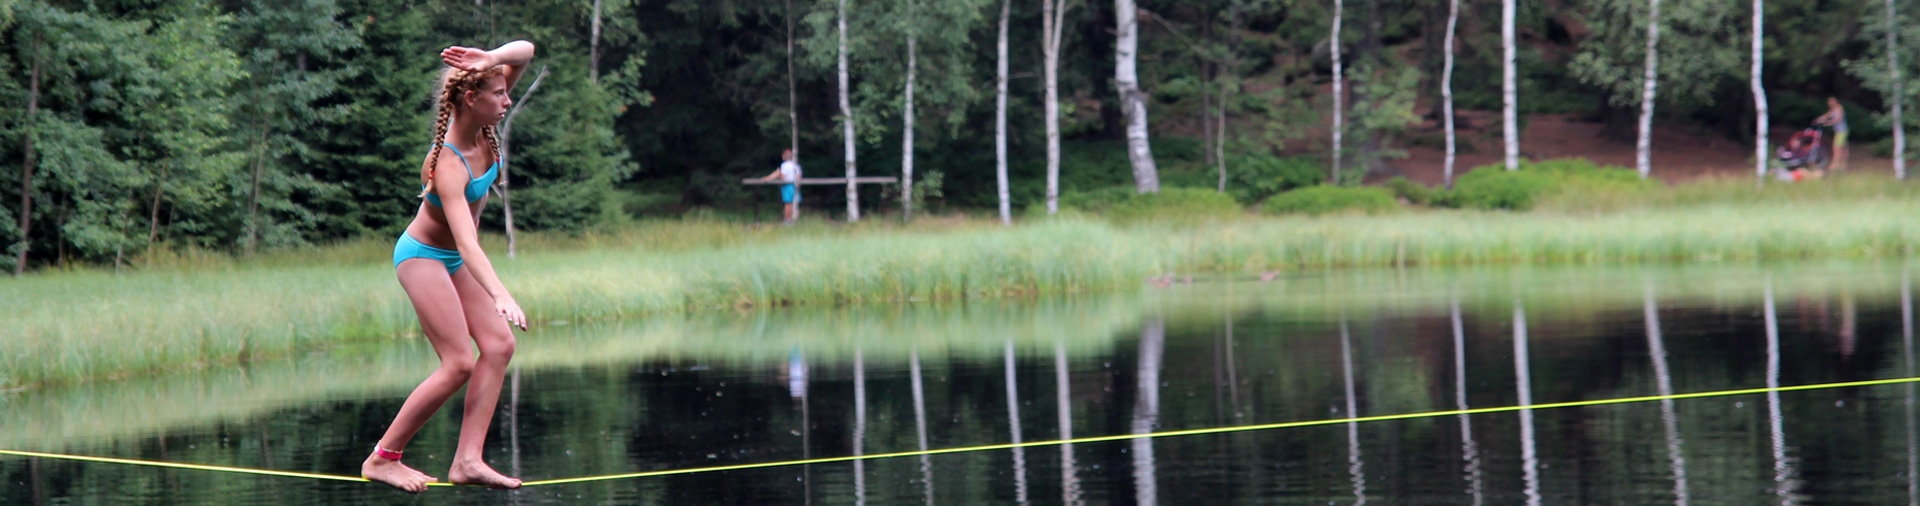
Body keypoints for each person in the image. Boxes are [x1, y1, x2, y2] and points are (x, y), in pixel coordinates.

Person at [363, 40, 535, 493]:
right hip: (421, 256)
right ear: (470, 99)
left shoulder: (485, 126)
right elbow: (467, 242)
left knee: (497, 346)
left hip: (453, 258)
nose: (507, 99)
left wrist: (491, 59)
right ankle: (383, 458)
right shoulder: (447, 164)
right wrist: (500, 293)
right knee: (458, 362)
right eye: (498, 94)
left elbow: (526, 49)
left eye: (505, 90)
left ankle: (468, 460)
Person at [759, 149, 803, 224]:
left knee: (787, 204)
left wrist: (774, 177)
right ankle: (794, 220)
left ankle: (787, 220)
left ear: (783, 157)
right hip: (795, 186)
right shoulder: (796, 165)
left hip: (787, 186)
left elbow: (783, 176)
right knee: (794, 204)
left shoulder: (784, 166)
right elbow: (799, 176)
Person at [1815, 97, 1848, 171]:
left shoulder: (1839, 108)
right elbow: (1827, 115)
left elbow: (1838, 118)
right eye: (1830, 102)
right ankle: (1843, 164)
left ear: (1836, 101)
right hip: (1839, 131)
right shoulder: (1833, 109)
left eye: (1832, 101)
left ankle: (1835, 164)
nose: (1831, 103)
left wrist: (1829, 123)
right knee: (1843, 147)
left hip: (1841, 131)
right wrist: (1820, 118)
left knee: (1836, 147)